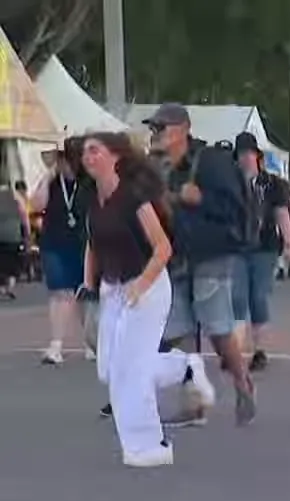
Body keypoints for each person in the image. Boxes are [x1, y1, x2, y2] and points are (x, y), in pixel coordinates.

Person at [145, 103, 255, 426]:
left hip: (212, 253)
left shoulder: (210, 162)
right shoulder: (165, 169)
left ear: (182, 129)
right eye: (154, 129)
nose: (156, 135)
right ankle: (194, 402)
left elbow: (234, 207)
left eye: (160, 128)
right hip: (178, 255)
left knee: (217, 325)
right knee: (178, 329)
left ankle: (242, 382)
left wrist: (201, 199)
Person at [80, 132, 176, 467]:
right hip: (113, 288)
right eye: (85, 152)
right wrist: (87, 284)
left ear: (115, 157)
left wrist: (141, 285)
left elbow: (163, 248)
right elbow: (93, 243)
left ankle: (151, 446)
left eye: (95, 150)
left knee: (130, 370)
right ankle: (185, 369)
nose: (87, 157)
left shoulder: (134, 197)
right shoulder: (93, 198)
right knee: (108, 367)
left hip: (146, 286)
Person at [231, 132, 290, 371]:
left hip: (264, 247)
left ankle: (259, 350)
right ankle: (235, 351)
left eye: (249, 154)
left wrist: (288, 241)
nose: (246, 159)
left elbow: (281, 212)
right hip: (236, 247)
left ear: (258, 156)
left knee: (257, 297)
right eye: (241, 155)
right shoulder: (231, 183)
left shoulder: (273, 184)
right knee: (237, 297)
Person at [29, 141, 92, 364]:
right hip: (54, 242)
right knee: (60, 292)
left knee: (85, 293)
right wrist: (47, 176)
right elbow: (36, 205)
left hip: (84, 242)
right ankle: (56, 344)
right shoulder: (53, 182)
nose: (64, 164)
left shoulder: (88, 182)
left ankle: (90, 341)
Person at [0, 179, 26, 301]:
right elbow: (24, 216)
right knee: (14, 262)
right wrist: (27, 233)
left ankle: (2, 286)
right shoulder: (16, 198)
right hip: (14, 236)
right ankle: (9, 286)